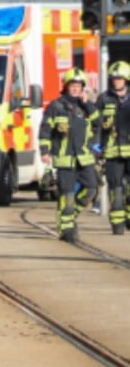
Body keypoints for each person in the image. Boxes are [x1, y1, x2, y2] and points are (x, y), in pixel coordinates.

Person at [39, 67, 100, 243]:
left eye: (78, 86)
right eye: (72, 85)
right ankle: (66, 228)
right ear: (65, 86)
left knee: (91, 189)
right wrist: (45, 151)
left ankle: (70, 216)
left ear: (83, 87)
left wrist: (88, 104)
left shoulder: (87, 106)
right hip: (64, 158)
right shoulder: (56, 106)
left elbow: (99, 123)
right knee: (66, 194)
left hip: (84, 157)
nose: (75, 89)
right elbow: (45, 131)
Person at [96, 61, 130, 234]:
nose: (117, 81)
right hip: (111, 152)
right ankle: (117, 224)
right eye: (114, 79)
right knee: (115, 188)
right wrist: (96, 148)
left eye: (120, 78)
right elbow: (95, 124)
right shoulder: (104, 98)